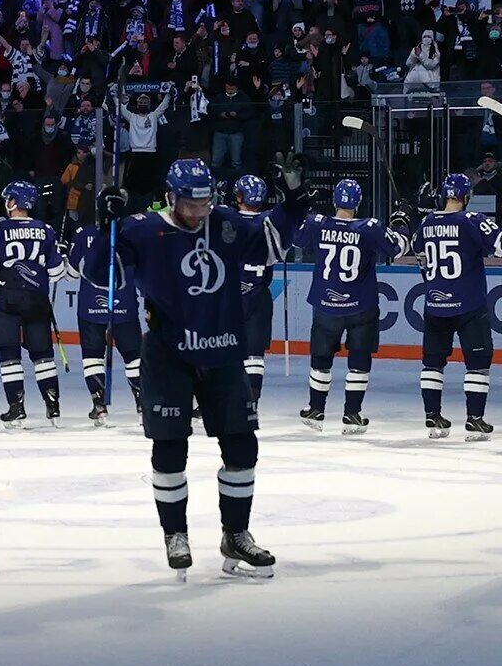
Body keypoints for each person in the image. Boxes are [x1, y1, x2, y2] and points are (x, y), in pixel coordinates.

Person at [115, 158, 275, 580]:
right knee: (170, 449)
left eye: (205, 203)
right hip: (168, 355)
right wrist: (104, 226)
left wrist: (292, 198)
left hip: (223, 353)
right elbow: (101, 273)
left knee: (243, 449)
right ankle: (175, 534)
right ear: (170, 196)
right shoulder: (143, 229)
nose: (198, 212)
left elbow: (273, 242)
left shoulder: (225, 223)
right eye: (189, 204)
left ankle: (235, 534)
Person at [292, 179, 407, 434]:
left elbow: (297, 240)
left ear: (335, 200)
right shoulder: (370, 228)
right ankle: (352, 414)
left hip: (325, 304)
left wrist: (300, 206)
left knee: (321, 358)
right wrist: (401, 223)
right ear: (358, 203)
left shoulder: (316, 223)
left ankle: (315, 409)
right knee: (359, 359)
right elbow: (397, 249)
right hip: (361, 306)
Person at [411, 173, 502, 439]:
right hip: (469, 305)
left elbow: (416, 249)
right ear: (467, 197)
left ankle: (432, 417)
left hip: (434, 305)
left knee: (432, 363)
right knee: (477, 363)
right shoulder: (473, 221)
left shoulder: (428, 221)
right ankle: (474, 419)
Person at [0, 181, 67, 427]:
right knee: (43, 355)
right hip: (37, 299)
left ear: (13, 202)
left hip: (7, 299)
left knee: (9, 354)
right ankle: (53, 406)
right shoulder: (46, 230)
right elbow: (58, 272)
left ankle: (16, 407)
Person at [229, 167, 307, 402]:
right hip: (259, 295)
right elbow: (298, 209)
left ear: (239, 196)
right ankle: (251, 400)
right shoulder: (271, 221)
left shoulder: (225, 217)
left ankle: (215, 400)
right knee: (254, 354)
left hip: (227, 295)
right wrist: (292, 189)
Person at [64, 186, 140, 424]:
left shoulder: (84, 233)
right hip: (125, 304)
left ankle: (99, 405)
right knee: (134, 356)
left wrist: (65, 253)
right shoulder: (134, 233)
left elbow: (71, 272)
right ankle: (142, 403)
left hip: (90, 307)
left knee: (92, 356)